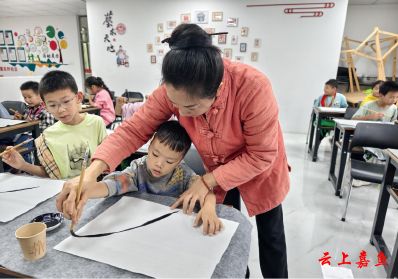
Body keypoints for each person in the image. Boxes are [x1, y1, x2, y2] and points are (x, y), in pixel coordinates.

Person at [57, 23, 290, 279]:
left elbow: (261, 154)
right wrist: (92, 173)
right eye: (176, 106)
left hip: (259, 168)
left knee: (271, 236)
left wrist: (208, 180)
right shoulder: (171, 91)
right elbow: (133, 130)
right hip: (217, 170)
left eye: (190, 108)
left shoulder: (253, 87)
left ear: (219, 91)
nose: (182, 114)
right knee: (227, 232)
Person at [65, 121, 222, 236]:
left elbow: (205, 191)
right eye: (154, 154)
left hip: (169, 230)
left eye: (169, 161)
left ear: (181, 160)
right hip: (137, 228)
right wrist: (85, 190)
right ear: (150, 145)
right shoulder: (138, 170)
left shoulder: (184, 174)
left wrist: (208, 208)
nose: (159, 164)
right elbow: (111, 186)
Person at [2, 70, 107, 179]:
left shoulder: (96, 123)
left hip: (95, 188)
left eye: (66, 101)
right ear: (45, 106)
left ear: (78, 97)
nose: (61, 110)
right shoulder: (47, 136)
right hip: (65, 191)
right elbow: (51, 173)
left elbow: (106, 159)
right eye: (52, 105)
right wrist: (23, 165)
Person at [351, 81, 398, 187]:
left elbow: (393, 124)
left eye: (397, 97)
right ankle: (364, 175)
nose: (394, 100)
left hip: (384, 139)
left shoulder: (393, 108)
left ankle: (386, 175)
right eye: (391, 97)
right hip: (367, 137)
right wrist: (369, 116)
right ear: (381, 95)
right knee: (367, 149)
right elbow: (353, 119)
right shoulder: (369, 105)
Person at [0, 81, 55, 168]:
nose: (27, 100)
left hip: (36, 136)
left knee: (21, 146)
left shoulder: (47, 110)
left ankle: (24, 168)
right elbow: (25, 121)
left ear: (40, 95)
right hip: (23, 133)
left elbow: (48, 128)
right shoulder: (28, 108)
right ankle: (6, 167)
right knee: (3, 139)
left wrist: (32, 123)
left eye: (30, 97)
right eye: (24, 97)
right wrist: (19, 119)